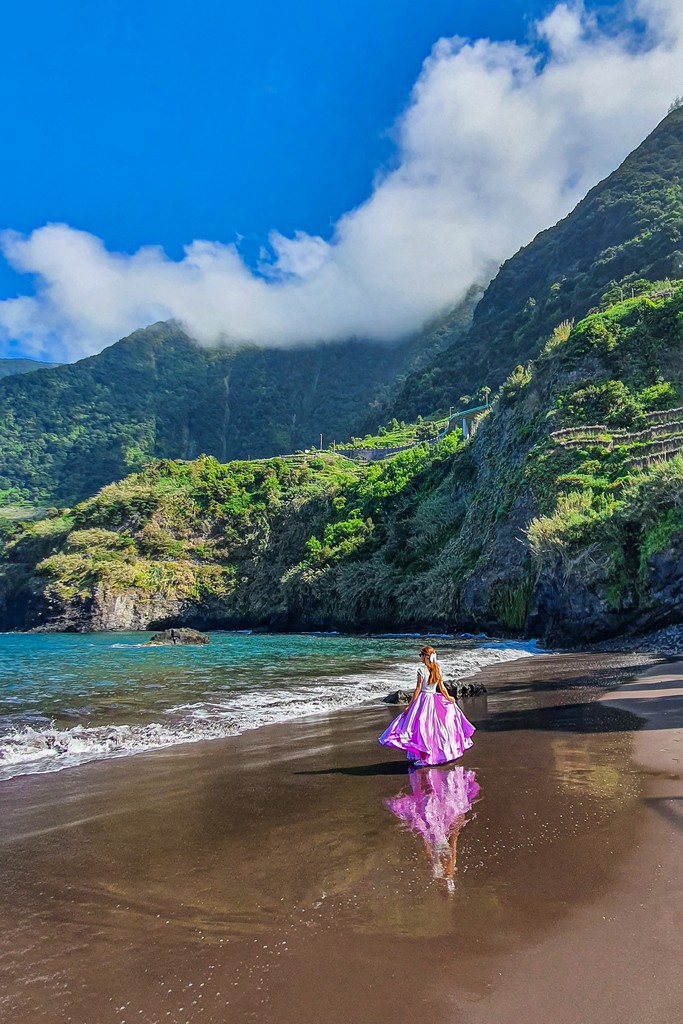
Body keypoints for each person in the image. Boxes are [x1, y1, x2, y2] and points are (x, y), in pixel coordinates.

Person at [379, 645, 475, 766]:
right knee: (436, 729)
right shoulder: (436, 669)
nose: (420, 657)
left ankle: (424, 758)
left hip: (424, 701)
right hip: (434, 699)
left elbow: (418, 689)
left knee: (422, 729)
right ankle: (438, 754)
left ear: (425, 656)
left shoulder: (421, 670)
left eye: (421, 655)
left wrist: (409, 705)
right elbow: (442, 688)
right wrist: (448, 698)